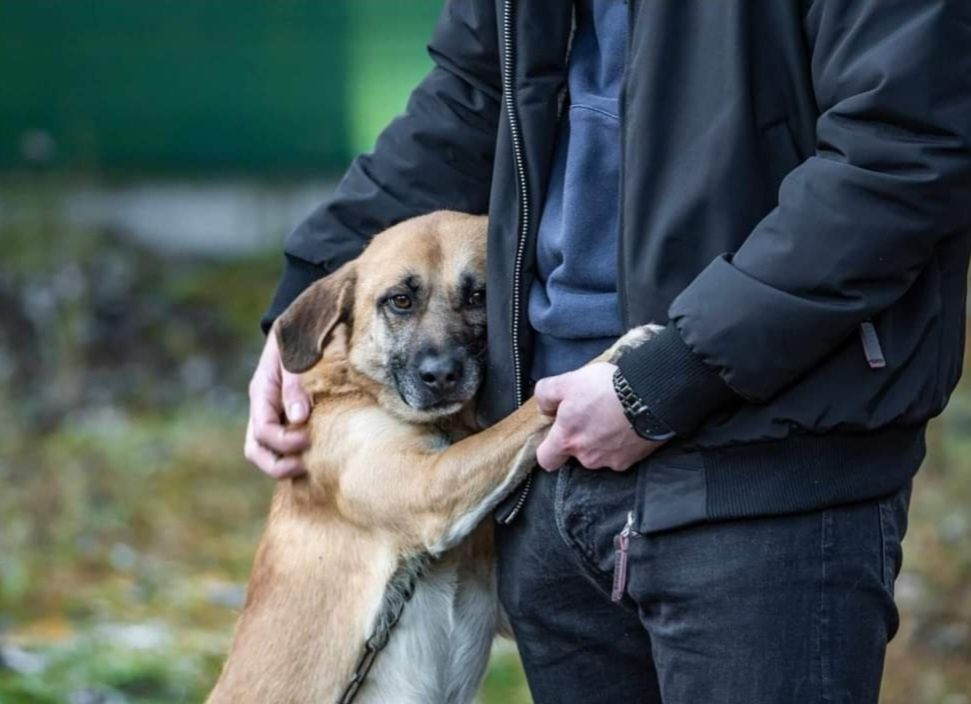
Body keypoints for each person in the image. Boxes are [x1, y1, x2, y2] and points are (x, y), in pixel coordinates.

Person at [245, 2, 971, 702]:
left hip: (764, 472)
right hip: (550, 482)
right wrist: (308, 310)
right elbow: (469, 95)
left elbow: (900, 155)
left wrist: (669, 374)